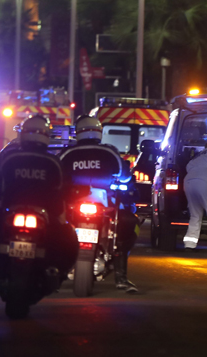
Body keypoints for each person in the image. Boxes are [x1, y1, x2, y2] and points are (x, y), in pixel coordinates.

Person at [0, 115, 78, 293]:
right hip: (44, 214)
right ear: (46, 135)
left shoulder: (10, 158)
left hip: (9, 210)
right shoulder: (53, 162)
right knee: (67, 235)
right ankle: (56, 269)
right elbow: (63, 188)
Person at [59, 115, 140, 293]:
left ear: (78, 132)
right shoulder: (109, 151)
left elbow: (56, 176)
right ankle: (121, 278)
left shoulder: (67, 153)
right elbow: (124, 176)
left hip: (73, 204)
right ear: (99, 132)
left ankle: (55, 273)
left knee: (57, 226)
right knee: (127, 226)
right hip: (104, 203)